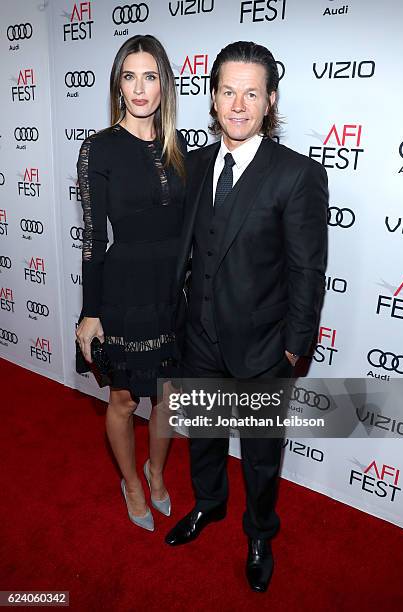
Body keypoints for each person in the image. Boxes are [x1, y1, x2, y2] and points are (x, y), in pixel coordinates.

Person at [165, 41, 328, 592]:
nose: (238, 104)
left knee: (261, 457)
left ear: (270, 100)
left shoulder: (296, 174)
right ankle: (208, 504)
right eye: (228, 91)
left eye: (251, 93)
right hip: (200, 337)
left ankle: (260, 532)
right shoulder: (198, 162)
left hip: (263, 346)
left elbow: (308, 269)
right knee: (203, 438)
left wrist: (294, 346)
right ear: (212, 97)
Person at [75, 35, 187, 532]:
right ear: (118, 84)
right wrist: (89, 311)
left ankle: (156, 472)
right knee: (124, 399)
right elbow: (94, 239)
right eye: (129, 76)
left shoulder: (181, 148)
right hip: (124, 290)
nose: (140, 88)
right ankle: (132, 483)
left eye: (151, 76)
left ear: (164, 83)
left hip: (171, 292)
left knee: (166, 394)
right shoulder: (99, 148)